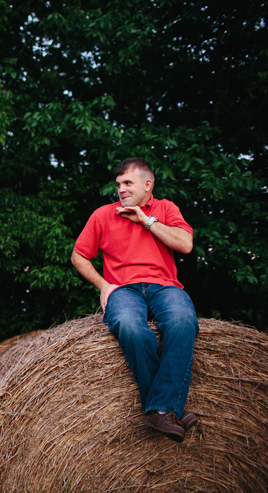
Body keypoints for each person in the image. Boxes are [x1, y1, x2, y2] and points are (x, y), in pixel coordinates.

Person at [71, 158, 199, 442]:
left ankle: (163, 409)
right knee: (129, 327)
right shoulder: (103, 215)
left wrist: (146, 219)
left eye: (128, 183)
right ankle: (170, 408)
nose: (121, 189)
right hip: (123, 289)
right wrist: (104, 286)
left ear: (147, 185)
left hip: (164, 286)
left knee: (182, 321)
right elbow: (78, 255)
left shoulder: (166, 208)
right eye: (119, 185)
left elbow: (185, 244)